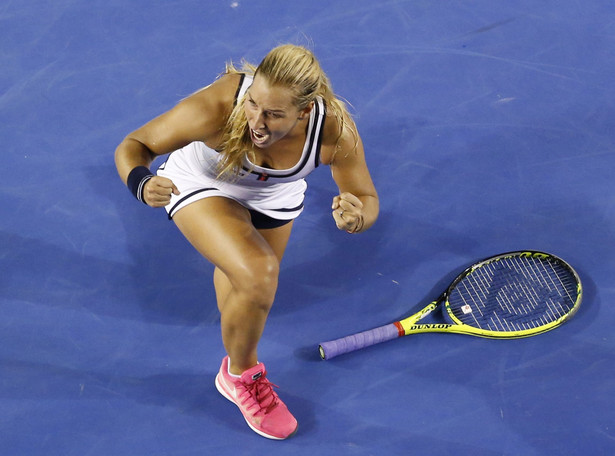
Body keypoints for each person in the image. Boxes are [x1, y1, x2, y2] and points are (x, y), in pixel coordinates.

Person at [114, 44, 379, 440]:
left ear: (305, 110)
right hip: (203, 182)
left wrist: (358, 218)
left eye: (274, 114)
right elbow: (134, 145)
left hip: (274, 197)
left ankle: (235, 269)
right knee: (259, 273)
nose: (256, 120)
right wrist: (142, 182)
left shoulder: (333, 130)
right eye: (254, 103)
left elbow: (367, 198)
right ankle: (240, 375)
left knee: (249, 291)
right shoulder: (217, 108)